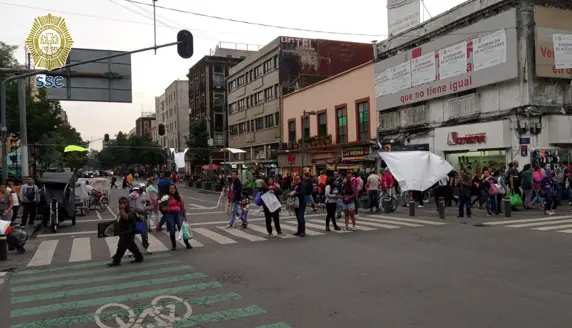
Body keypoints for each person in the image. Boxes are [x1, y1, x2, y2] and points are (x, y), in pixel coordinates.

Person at [108, 196, 143, 267]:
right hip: (123, 231)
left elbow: (127, 217)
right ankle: (139, 257)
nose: (122, 204)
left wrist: (123, 210)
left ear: (127, 203)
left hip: (128, 232)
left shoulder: (130, 210)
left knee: (121, 246)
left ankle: (116, 260)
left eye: (124, 203)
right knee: (131, 246)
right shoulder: (122, 210)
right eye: (121, 203)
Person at [163, 184, 192, 250]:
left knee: (181, 228)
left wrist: (185, 215)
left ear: (175, 189)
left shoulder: (179, 197)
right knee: (172, 230)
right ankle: (174, 245)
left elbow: (182, 207)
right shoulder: (165, 197)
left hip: (178, 213)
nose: (172, 189)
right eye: (171, 188)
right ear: (168, 189)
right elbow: (162, 206)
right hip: (169, 214)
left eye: (173, 188)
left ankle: (187, 243)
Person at [128, 186, 152, 254]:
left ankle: (146, 247)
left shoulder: (144, 196)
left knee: (143, 233)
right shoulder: (129, 197)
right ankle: (131, 249)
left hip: (141, 216)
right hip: (132, 217)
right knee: (131, 233)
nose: (136, 191)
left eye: (137, 190)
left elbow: (150, 205)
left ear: (140, 190)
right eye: (134, 190)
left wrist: (145, 209)